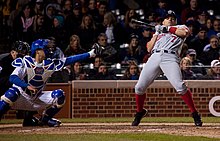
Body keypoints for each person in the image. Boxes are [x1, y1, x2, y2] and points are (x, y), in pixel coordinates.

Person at [0, 39, 97, 127]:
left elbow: (70, 60)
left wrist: (90, 54)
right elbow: (12, 78)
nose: (47, 49)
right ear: (37, 51)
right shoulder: (25, 61)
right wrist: (27, 86)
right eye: (44, 48)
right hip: (21, 97)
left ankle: (45, 119)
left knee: (59, 95)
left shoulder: (50, 63)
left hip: (37, 98)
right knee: (11, 93)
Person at [132, 10, 202, 127]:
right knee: (139, 87)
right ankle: (140, 112)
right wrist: (156, 33)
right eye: (167, 18)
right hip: (154, 56)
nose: (170, 19)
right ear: (163, 20)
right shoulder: (159, 31)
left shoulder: (180, 27)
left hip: (170, 57)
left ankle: (195, 113)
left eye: (172, 18)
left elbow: (184, 34)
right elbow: (149, 48)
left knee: (180, 86)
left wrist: (167, 29)